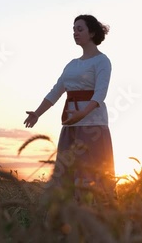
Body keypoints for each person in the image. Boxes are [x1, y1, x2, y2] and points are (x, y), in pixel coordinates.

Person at [23, 14, 115, 204]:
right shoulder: (72, 64)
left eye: (80, 29)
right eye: (73, 29)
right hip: (70, 125)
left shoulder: (102, 61)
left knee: (91, 173)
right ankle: (67, 221)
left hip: (92, 126)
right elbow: (56, 92)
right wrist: (37, 113)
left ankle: (98, 219)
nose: (75, 33)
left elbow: (100, 94)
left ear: (92, 32)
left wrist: (82, 114)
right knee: (66, 175)